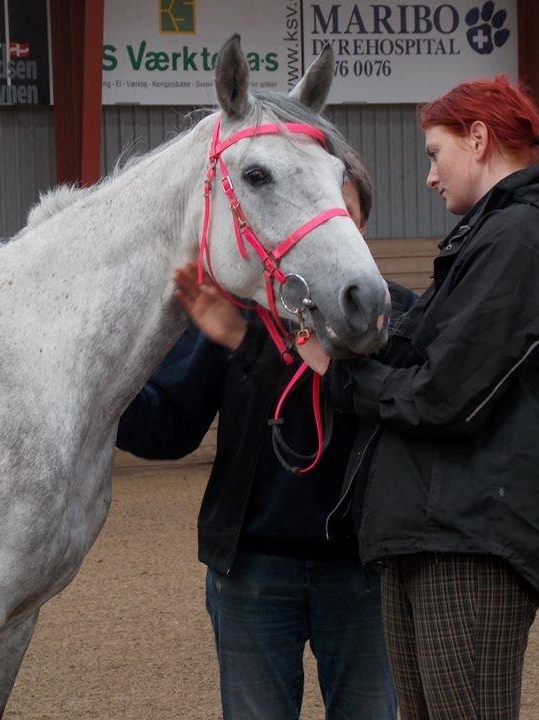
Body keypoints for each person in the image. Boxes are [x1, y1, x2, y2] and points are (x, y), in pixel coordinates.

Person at [321, 76, 539, 719]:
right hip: (434, 526)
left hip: (472, 536)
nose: (432, 177)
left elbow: (447, 396)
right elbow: (417, 357)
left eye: (435, 155)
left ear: (478, 138)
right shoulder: (490, 239)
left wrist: (345, 381)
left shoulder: (524, 237)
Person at [118, 154, 412, 720]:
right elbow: (171, 427)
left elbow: (397, 409)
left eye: (343, 218)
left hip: (362, 573)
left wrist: (242, 342)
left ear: (360, 229)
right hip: (252, 570)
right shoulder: (238, 315)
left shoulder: (397, 318)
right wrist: (110, 386)